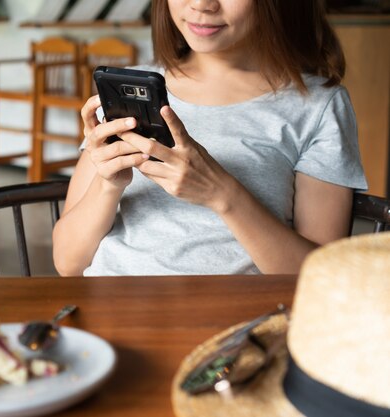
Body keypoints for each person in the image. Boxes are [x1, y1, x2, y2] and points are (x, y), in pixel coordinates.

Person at [52, 0, 367, 276]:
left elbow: (320, 275)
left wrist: (222, 194)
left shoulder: (318, 105)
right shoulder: (128, 89)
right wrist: (108, 185)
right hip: (112, 312)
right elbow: (67, 263)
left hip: (233, 329)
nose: (202, 4)